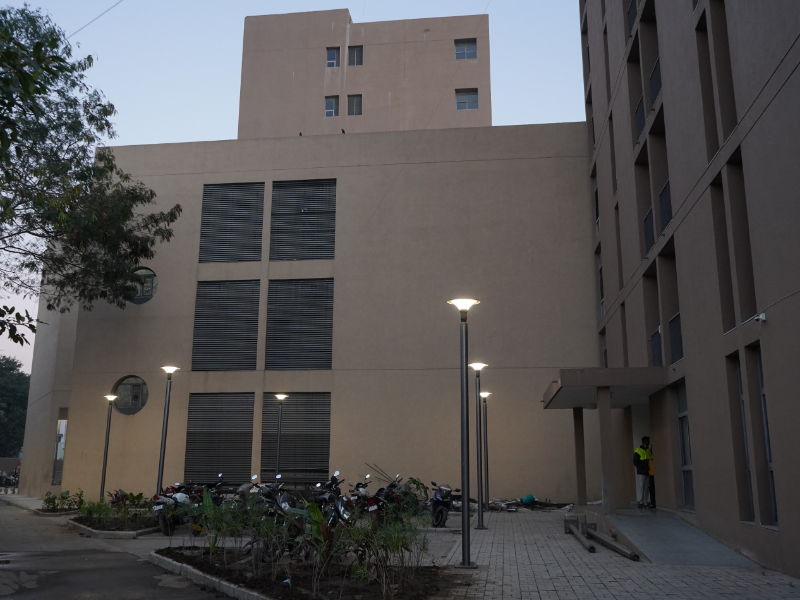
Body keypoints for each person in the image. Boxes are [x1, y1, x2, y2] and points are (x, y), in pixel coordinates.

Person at [633, 436, 654, 509]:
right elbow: (635, 461)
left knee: (646, 487)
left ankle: (645, 502)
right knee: (641, 486)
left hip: (648, 471)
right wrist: (642, 467)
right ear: (644, 442)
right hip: (641, 472)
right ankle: (641, 502)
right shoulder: (638, 450)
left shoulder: (648, 451)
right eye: (648, 441)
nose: (648, 443)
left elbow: (650, 460)